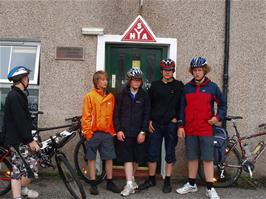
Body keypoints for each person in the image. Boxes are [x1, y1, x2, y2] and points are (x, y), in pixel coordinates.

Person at [176, 57, 227, 199]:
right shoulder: (186, 88)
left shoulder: (212, 87)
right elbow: (181, 109)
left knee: (208, 159)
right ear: (191, 71)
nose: (197, 73)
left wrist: (217, 118)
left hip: (206, 129)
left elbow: (223, 104)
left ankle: (210, 188)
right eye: (195, 70)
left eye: (199, 70)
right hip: (190, 128)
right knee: (192, 158)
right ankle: (191, 184)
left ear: (204, 70)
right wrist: (180, 125)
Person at [138, 59, 184, 193]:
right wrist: (149, 120)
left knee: (170, 153)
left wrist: (179, 120)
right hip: (155, 125)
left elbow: (182, 106)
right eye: (165, 70)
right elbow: (148, 105)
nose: (167, 72)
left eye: (170, 70)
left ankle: (167, 180)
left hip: (171, 125)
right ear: (161, 71)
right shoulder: (155, 85)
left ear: (173, 71)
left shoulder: (179, 86)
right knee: (152, 152)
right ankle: (151, 179)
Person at [3, 66, 40, 199]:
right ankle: (21, 191)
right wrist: (30, 140)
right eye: (27, 77)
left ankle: (21, 191)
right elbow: (20, 121)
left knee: (21, 169)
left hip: (18, 139)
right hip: (17, 140)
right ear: (22, 79)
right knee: (30, 168)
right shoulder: (15, 96)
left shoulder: (18, 94)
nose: (28, 80)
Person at [81, 70, 120, 195]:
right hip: (93, 133)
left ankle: (109, 182)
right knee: (91, 158)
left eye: (106, 79)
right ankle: (93, 183)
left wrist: (112, 132)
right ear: (96, 82)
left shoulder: (111, 97)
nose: (105, 82)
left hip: (107, 133)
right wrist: (87, 133)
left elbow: (113, 116)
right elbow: (86, 116)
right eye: (102, 80)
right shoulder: (90, 96)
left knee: (109, 158)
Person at [114, 68, 150, 197]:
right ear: (129, 81)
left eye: (139, 80)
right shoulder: (121, 94)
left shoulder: (144, 95)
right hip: (125, 132)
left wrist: (143, 132)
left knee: (136, 158)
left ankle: (132, 179)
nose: (137, 82)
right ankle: (129, 183)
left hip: (139, 132)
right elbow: (116, 114)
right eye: (134, 80)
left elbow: (147, 114)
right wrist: (118, 130)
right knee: (127, 158)